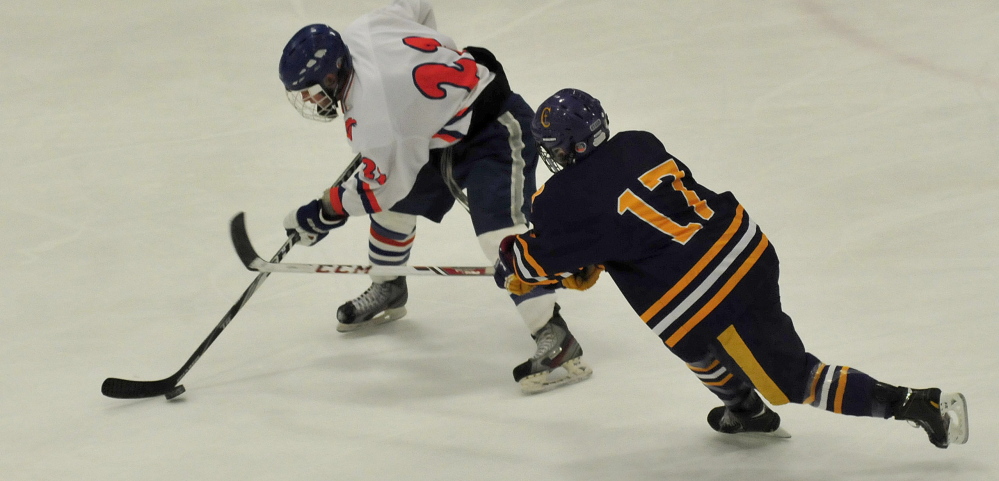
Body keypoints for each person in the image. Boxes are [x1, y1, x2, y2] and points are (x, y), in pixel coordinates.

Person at [493, 88, 970, 447]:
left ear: (570, 147)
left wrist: (512, 270)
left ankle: (915, 402)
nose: (553, 158)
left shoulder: (561, 199)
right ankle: (745, 411)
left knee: (791, 379)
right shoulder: (639, 142)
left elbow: (534, 259)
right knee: (691, 342)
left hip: (708, 295)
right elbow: (630, 218)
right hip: (749, 250)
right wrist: (590, 254)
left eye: (554, 148)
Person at [276, 0, 591, 393]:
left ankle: (555, 335)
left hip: (494, 129)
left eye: (311, 92)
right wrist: (431, 91)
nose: (310, 101)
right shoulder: (365, 27)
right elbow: (419, 7)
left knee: (499, 239)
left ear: (334, 71)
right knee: (394, 210)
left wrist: (324, 210)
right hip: (442, 132)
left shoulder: (378, 114)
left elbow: (379, 187)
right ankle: (390, 287)